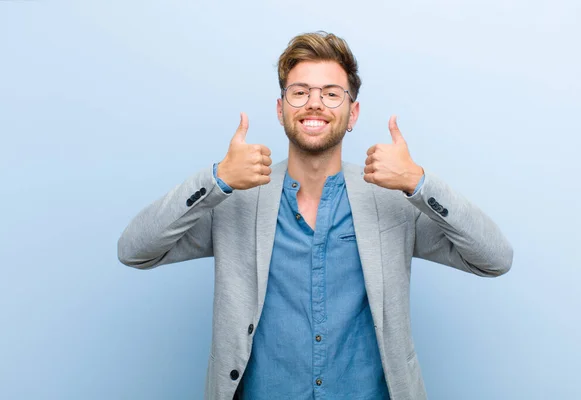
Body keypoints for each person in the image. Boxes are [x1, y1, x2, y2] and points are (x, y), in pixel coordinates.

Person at [118, 31, 513, 400]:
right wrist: (217, 178)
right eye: (300, 92)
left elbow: (495, 258)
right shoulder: (235, 200)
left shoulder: (391, 201)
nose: (314, 103)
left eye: (330, 93)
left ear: (353, 113)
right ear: (280, 108)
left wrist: (418, 182)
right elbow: (135, 250)